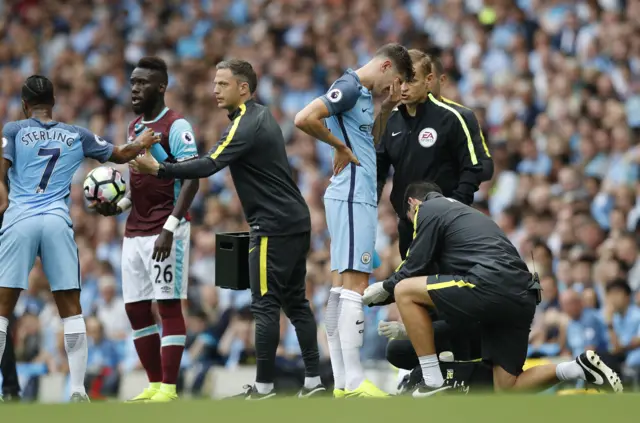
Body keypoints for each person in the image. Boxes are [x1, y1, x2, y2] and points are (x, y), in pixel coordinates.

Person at [131, 59, 323, 400]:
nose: (214, 90)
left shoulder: (246, 122)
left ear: (243, 88)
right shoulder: (259, 117)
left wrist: (159, 169)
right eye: (215, 83)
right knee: (296, 303)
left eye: (222, 84)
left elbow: (208, 164)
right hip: (293, 219)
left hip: (273, 225)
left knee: (264, 305)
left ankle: (263, 388)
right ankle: (313, 383)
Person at [363, 181, 623, 396]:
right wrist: (414, 325)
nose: (412, 224)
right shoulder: (467, 219)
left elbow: (414, 267)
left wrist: (386, 288)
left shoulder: (430, 208)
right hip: (522, 295)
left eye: (409, 218)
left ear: (412, 203)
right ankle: (579, 368)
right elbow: (450, 295)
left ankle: (432, 380)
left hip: (491, 283)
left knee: (404, 290)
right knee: (508, 386)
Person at [0, 75, 160, 402]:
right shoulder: (76, 134)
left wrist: (6, 199)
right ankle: (77, 390)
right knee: (71, 309)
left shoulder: (13, 130)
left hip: (20, 218)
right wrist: (143, 142)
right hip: (57, 221)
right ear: (54, 103)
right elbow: (120, 154)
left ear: (25, 105)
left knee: (2, 310)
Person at [294, 43, 415, 398]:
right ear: (387, 66)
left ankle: (344, 382)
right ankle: (354, 381)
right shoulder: (347, 87)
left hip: (354, 194)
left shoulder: (360, 93)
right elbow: (304, 118)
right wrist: (338, 146)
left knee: (339, 289)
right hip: (351, 194)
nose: (390, 88)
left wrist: (387, 108)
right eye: (392, 81)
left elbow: (365, 139)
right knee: (354, 287)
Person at [91, 57, 200, 403]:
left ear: (161, 87)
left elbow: (191, 181)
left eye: (142, 83)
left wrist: (170, 228)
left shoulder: (176, 126)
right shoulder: (134, 127)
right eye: (133, 82)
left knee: (167, 305)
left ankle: (169, 387)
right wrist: (117, 206)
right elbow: (139, 188)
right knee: (136, 309)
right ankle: (154, 384)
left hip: (166, 229)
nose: (134, 88)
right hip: (134, 230)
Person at [376, 49, 486, 260]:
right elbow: (378, 169)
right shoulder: (390, 122)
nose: (404, 88)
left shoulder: (452, 118)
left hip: (447, 225)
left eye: (412, 81)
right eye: (400, 82)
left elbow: (472, 168)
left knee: (445, 287)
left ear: (428, 81)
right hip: (408, 225)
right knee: (411, 287)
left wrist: (453, 209)